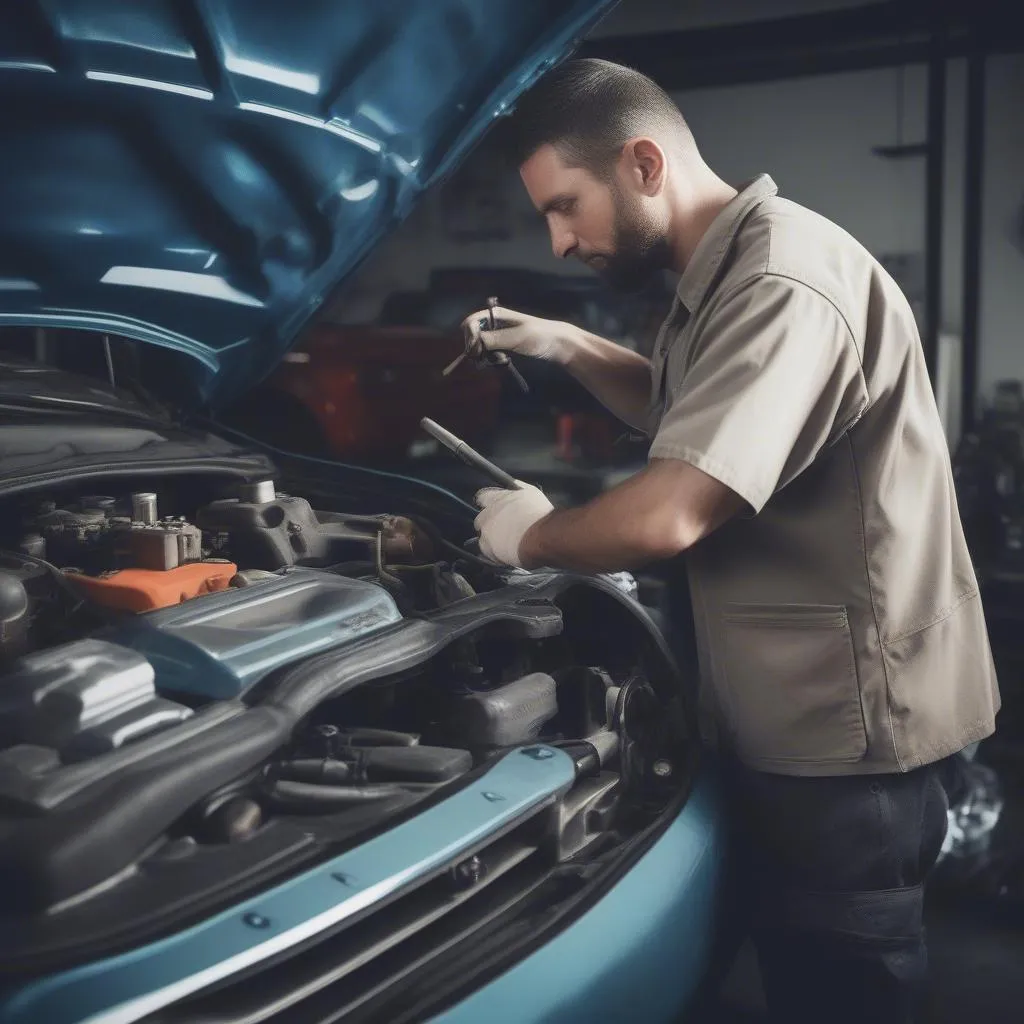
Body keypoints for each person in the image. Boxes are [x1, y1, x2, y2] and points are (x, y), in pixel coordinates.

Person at [461, 59, 1000, 1023]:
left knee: (843, 993)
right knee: (792, 973)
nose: (557, 238)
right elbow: (690, 413)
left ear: (643, 162)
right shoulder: (727, 269)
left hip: (845, 741)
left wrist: (529, 537)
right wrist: (569, 345)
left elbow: (669, 512)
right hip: (790, 713)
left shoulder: (780, 282)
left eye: (566, 206)